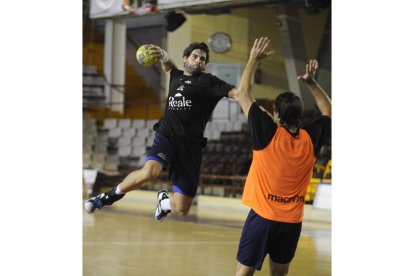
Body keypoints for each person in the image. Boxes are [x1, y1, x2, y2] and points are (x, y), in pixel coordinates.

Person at [84, 41, 238, 221]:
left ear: (205, 64)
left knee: (182, 208)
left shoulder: (208, 82)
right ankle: (108, 197)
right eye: (195, 57)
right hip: (167, 136)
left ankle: (164, 203)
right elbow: (169, 68)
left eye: (202, 59)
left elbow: (236, 93)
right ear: (186, 59)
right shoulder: (176, 76)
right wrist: (163, 55)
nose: (198, 61)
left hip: (191, 147)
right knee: (150, 172)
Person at [232, 37, 331, 276]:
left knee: (243, 273)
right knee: (279, 273)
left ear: (276, 114)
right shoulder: (310, 139)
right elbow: (328, 110)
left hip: (262, 219)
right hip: (291, 223)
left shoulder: (267, 133)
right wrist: (312, 83)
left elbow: (242, 92)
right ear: (299, 116)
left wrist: (253, 59)